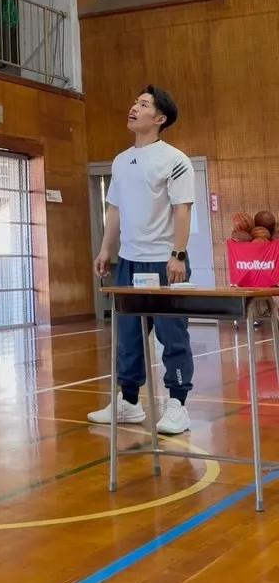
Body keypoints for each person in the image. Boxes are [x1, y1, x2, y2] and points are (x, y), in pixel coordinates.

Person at [88, 85, 195, 436]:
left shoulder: (175, 160)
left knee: (171, 336)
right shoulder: (120, 161)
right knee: (129, 337)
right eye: (135, 102)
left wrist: (177, 254)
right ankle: (129, 402)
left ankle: (178, 404)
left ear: (160, 118)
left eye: (144, 104)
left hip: (164, 263)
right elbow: (114, 210)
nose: (134, 107)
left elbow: (182, 210)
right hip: (129, 262)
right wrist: (106, 249)